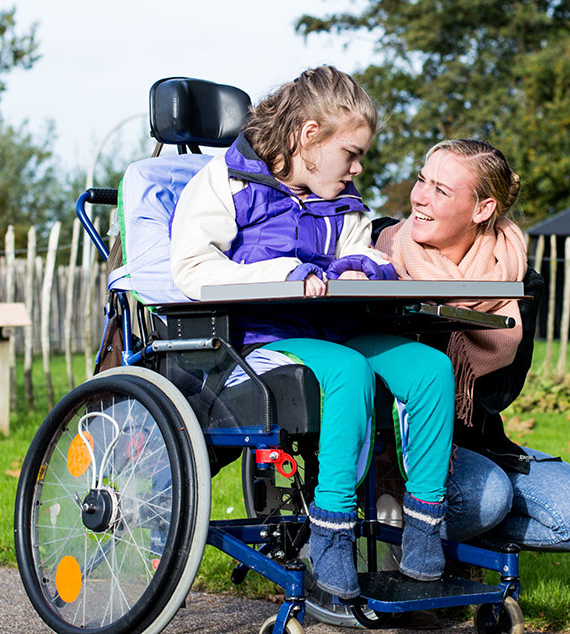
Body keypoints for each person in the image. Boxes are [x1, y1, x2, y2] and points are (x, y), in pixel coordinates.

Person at [169, 66, 456, 599]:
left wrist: (362, 268)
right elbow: (190, 271)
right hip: (258, 339)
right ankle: (330, 536)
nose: (358, 167)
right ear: (308, 137)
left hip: (336, 329)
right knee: (345, 371)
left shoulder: (341, 195)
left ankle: (422, 532)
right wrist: (286, 273)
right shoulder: (227, 183)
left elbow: (362, 250)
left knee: (430, 370)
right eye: (351, 153)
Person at [375, 139, 570, 553]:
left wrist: (461, 312)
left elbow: (497, 394)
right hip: (387, 445)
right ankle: (382, 532)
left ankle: (435, 539)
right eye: (421, 180)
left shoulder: (517, 280)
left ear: (482, 209)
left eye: (441, 190)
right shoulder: (380, 254)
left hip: (471, 441)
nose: (420, 197)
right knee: (487, 498)